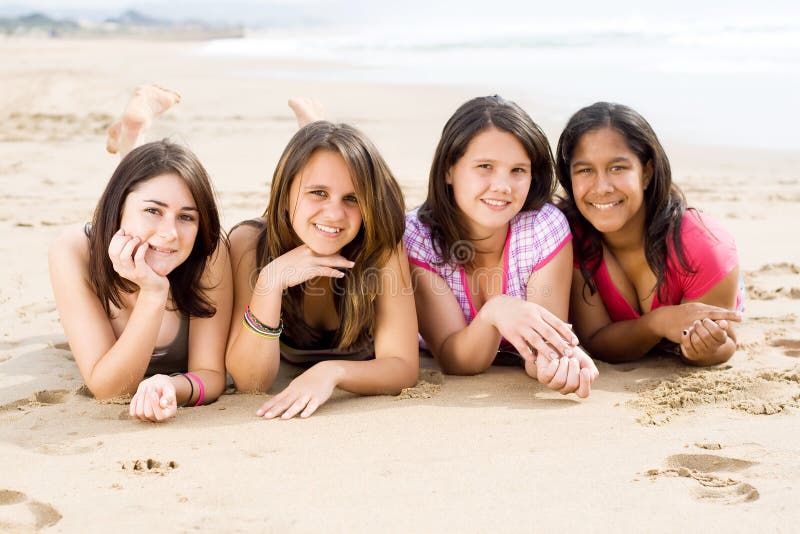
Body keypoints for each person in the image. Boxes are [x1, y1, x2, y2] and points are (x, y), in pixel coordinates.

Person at [49, 85, 232, 422]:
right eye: (153, 212)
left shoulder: (208, 252)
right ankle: (131, 141)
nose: (171, 232)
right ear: (119, 209)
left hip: (133, 213)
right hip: (113, 227)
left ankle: (130, 139)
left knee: (151, 198)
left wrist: (171, 385)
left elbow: (210, 374)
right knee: (140, 196)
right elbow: (109, 389)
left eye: (187, 217)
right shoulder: (74, 252)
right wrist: (153, 293)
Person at [225, 102, 418, 419]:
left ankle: (316, 133)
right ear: (284, 194)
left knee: (389, 206)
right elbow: (251, 382)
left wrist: (332, 372)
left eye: (352, 198)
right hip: (278, 229)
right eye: (318, 193)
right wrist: (270, 282)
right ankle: (314, 130)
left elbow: (403, 367)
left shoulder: (381, 245)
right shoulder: (248, 244)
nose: (335, 213)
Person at [404, 95, 598, 398]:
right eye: (485, 166)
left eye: (518, 170)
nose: (502, 187)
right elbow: (455, 359)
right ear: (448, 170)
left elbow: (542, 349)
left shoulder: (543, 227)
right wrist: (495, 311)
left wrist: (556, 363)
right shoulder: (418, 237)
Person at [556, 102, 742, 366]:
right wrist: (659, 322)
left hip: (713, 274)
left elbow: (726, 342)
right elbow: (597, 340)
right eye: (585, 170)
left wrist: (699, 349)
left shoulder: (705, 245)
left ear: (646, 173)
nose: (602, 187)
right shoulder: (569, 237)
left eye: (617, 168)